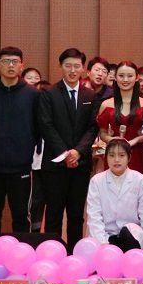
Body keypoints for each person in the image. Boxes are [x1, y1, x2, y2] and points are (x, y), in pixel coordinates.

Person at [35, 47, 101, 245]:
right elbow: (46, 126)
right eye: (68, 66)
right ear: (60, 66)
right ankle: (53, 253)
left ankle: (75, 253)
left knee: (76, 215)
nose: (72, 70)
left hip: (81, 164)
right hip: (55, 164)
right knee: (54, 214)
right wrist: (66, 154)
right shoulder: (48, 93)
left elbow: (93, 127)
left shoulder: (91, 95)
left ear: (83, 68)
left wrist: (78, 152)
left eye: (76, 66)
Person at [0, 46, 39, 237]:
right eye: (6, 61)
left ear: (21, 66)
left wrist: (25, 147)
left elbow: (37, 127)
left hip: (21, 167)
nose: (10, 65)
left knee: (21, 217)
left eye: (15, 61)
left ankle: (23, 253)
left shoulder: (32, 94)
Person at [85, 138, 143, 250]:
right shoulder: (96, 181)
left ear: (129, 158)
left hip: (131, 234)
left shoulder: (140, 180)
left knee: (128, 235)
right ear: (106, 157)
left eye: (121, 155)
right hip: (106, 234)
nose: (116, 160)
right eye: (112, 155)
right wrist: (103, 244)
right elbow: (94, 215)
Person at [96, 61, 143, 176]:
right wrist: (112, 139)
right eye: (121, 76)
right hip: (114, 153)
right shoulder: (106, 104)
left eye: (130, 76)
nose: (125, 80)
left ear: (137, 78)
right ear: (115, 77)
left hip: (137, 153)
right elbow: (102, 132)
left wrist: (136, 140)